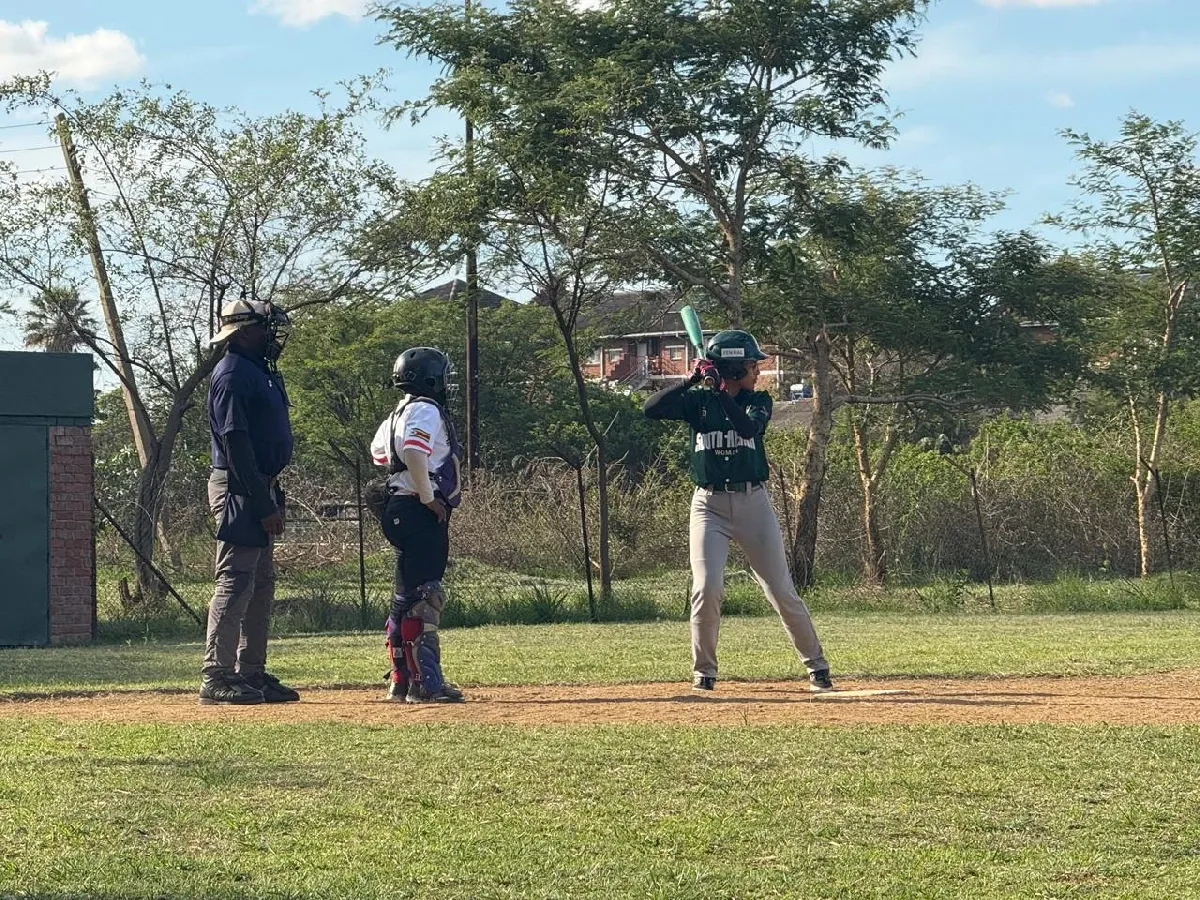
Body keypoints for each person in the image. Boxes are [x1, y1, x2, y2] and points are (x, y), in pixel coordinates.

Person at [643, 329, 834, 693]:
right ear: (732, 369)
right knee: (707, 587)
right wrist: (692, 379)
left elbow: (748, 428)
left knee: (780, 589)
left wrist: (720, 391)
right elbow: (650, 410)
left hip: (752, 502)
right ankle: (704, 672)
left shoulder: (757, 400)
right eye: (750, 365)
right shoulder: (698, 402)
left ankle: (817, 665)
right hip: (708, 505)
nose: (757, 371)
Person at [199, 296, 300, 705]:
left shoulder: (258, 370)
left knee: (260, 583)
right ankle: (216, 674)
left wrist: (269, 493)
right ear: (243, 333)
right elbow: (235, 443)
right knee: (236, 579)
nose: (272, 336)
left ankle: (251, 672)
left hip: (259, 484)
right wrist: (261, 502)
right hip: (240, 486)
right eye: (265, 328)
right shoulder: (232, 374)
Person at [370, 347, 466, 704]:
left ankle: (402, 680)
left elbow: (379, 453)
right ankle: (427, 682)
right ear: (430, 379)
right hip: (417, 507)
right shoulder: (426, 410)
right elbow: (413, 450)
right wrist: (427, 496)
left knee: (405, 597)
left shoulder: (398, 412)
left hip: (397, 505)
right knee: (426, 597)